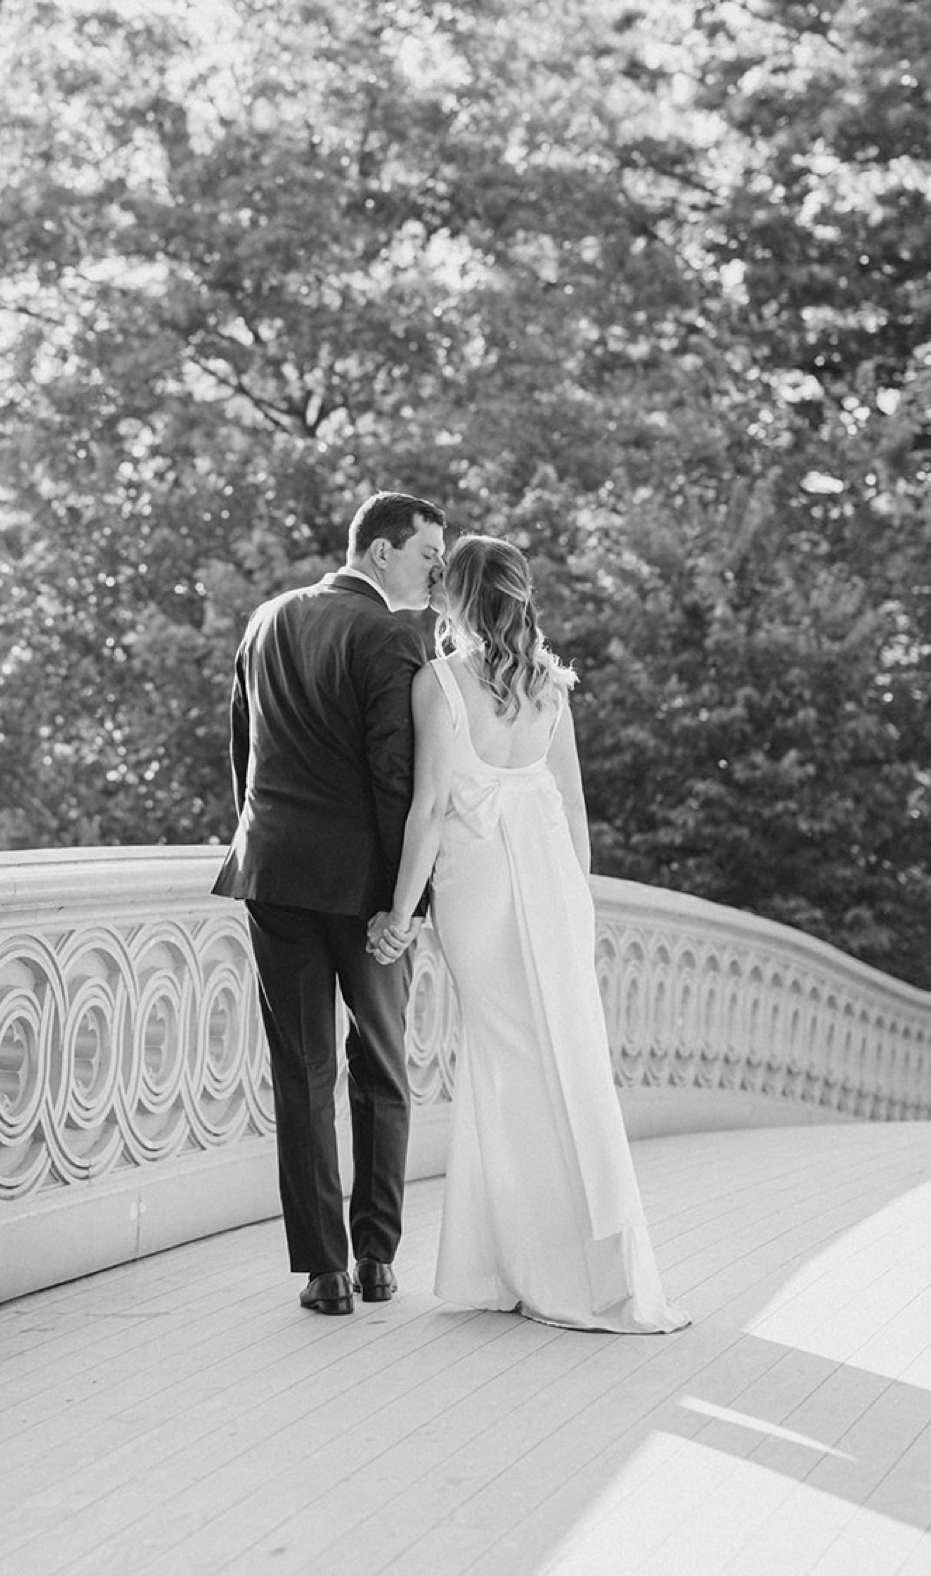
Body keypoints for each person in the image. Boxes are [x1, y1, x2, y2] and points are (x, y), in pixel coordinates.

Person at [370, 535, 688, 1333]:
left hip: (478, 895)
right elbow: (571, 809)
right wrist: (576, 911)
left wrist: (400, 916)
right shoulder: (550, 686)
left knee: (508, 1069)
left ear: (459, 598)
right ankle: (550, 1261)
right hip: (551, 891)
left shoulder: (439, 682)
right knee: (562, 1066)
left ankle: (532, 1264)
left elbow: (433, 807)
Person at [214, 490, 447, 1316]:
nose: (437, 571)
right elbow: (397, 777)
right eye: (428, 555)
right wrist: (406, 905)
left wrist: (255, 841)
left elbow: (242, 753)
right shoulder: (392, 636)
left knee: (302, 1068)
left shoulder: (265, 620)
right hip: (364, 891)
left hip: (272, 872)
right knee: (381, 1065)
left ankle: (326, 1271)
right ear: (381, 553)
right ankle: (379, 1258)